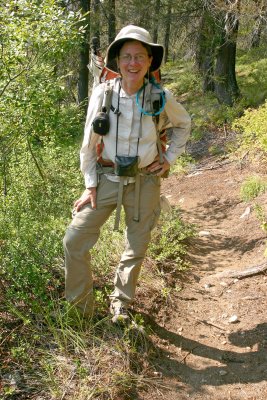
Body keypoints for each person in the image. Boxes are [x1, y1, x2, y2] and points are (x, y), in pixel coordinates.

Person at [63, 25, 191, 323]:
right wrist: (90, 184)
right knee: (74, 239)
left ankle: (120, 303)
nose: (132, 63)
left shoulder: (160, 96)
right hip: (107, 178)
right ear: (117, 62)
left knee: (136, 245)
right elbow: (89, 142)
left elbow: (184, 124)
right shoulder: (102, 94)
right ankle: (81, 309)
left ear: (149, 61)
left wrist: (169, 158)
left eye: (139, 56)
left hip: (145, 181)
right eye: (126, 57)